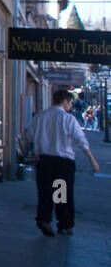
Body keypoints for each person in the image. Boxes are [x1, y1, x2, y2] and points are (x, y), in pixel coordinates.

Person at [33, 89, 101, 235]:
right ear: (64, 101)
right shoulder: (68, 119)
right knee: (60, 193)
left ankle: (43, 219)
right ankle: (63, 223)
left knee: (44, 192)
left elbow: (31, 135)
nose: (71, 105)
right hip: (62, 163)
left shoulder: (40, 116)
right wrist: (93, 161)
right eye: (70, 102)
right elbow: (81, 141)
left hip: (44, 160)